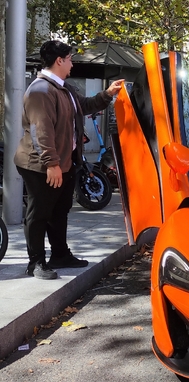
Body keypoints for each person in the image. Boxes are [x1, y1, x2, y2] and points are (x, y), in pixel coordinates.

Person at [14, 40, 124, 280]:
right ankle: (36, 263)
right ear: (59, 61)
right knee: (39, 212)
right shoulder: (41, 90)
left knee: (60, 210)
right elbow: (40, 131)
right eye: (70, 59)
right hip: (40, 165)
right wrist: (51, 164)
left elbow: (83, 106)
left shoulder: (64, 88)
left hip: (63, 163)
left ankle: (60, 254)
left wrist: (108, 94)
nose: (72, 63)